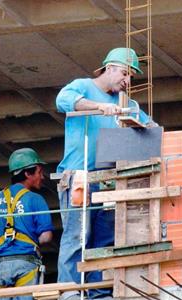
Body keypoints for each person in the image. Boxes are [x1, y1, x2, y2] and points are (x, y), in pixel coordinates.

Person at [55, 47, 154, 299]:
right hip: (80, 176)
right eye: (125, 73)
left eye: (131, 75)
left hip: (110, 181)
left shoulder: (127, 103)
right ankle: (69, 292)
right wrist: (98, 107)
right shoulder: (83, 87)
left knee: (105, 239)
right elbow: (62, 100)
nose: (128, 80)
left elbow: (150, 128)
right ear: (109, 68)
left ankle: (98, 293)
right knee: (78, 235)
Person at [0, 148, 54, 299]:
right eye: (39, 172)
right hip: (26, 264)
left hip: (0, 267)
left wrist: (0, 239)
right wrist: (27, 243)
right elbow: (46, 237)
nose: (42, 177)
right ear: (27, 173)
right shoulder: (36, 199)